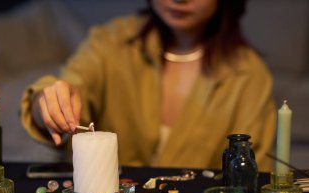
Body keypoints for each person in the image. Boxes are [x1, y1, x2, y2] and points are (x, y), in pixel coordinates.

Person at [21, 0, 276, 172]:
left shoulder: (250, 75)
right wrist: (47, 103)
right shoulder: (111, 42)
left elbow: (252, 175)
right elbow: (67, 87)